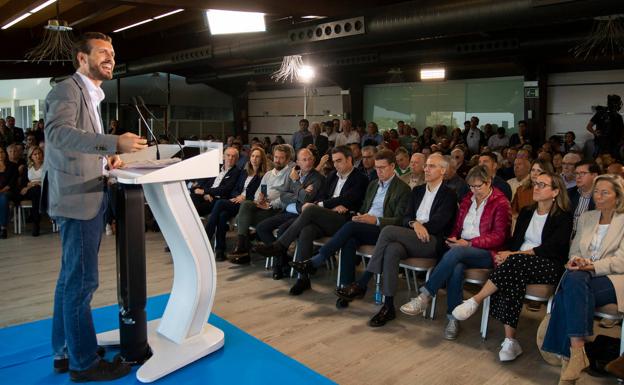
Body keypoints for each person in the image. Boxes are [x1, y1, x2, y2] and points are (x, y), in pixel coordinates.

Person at [45, 32, 147, 381]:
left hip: (85, 191)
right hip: (78, 198)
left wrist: (108, 159)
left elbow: (79, 147)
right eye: (102, 52)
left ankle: (64, 351)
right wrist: (111, 141)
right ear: (82, 59)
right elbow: (59, 134)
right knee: (82, 283)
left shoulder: (91, 94)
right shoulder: (65, 90)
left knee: (69, 280)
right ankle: (84, 363)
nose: (110, 58)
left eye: (113, 54)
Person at [452, 172, 572, 361]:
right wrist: (504, 254)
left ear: (556, 191)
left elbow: (552, 248)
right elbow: (514, 242)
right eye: (535, 184)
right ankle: (510, 342)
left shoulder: (563, 217)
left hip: (548, 265)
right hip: (518, 264)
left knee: (513, 264)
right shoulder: (526, 212)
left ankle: (476, 299)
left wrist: (513, 255)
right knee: (513, 274)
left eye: (542, 185)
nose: (536, 188)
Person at [255, 149, 403, 294]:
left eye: (339, 160)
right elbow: (321, 196)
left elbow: (349, 199)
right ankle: (303, 279)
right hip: (333, 218)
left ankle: (281, 245)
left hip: (343, 220)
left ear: (349, 160)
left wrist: (323, 206)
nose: (336, 164)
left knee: (311, 209)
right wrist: (326, 207)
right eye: (334, 161)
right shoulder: (333, 176)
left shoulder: (361, 178)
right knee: (308, 230)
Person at [334, 153, 457, 325]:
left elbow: (439, 223)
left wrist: (421, 226)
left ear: (443, 170)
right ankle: (388, 306)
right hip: (410, 236)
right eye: (426, 165)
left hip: (431, 241)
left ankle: (363, 282)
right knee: (391, 249)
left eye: (432, 166)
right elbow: (406, 218)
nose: (426, 169)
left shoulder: (449, 194)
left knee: (389, 231)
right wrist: (415, 224)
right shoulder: (418, 190)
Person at [400, 165, 511, 340]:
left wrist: (468, 243)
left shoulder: (501, 203)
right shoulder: (468, 199)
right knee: (457, 267)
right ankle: (453, 318)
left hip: (487, 252)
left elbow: (499, 237)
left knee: (458, 253)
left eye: (478, 186)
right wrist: (453, 238)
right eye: (471, 187)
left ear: (488, 182)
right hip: (462, 248)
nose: (474, 191)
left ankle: (425, 295)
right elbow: (457, 227)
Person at [542, 174, 624, 385]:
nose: (599, 196)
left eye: (605, 192)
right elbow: (575, 250)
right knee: (573, 282)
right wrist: (576, 261)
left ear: (618, 196)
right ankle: (576, 356)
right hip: (582, 276)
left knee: (568, 291)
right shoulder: (588, 217)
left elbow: (621, 262)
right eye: (596, 191)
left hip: (613, 279)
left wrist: (591, 266)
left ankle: (571, 359)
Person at [255, 148, 324, 277]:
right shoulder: (294, 173)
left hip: (302, 215)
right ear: (298, 162)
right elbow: (283, 194)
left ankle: (278, 267)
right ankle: (284, 259)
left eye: (310, 159)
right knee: (261, 227)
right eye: (304, 160)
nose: (308, 162)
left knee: (282, 231)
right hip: (287, 211)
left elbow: (306, 199)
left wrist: (296, 184)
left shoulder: (317, 178)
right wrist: (300, 192)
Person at [227, 144, 292, 263]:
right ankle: (243, 247)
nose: (277, 160)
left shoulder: (290, 175)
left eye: (281, 158)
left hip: (276, 210)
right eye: (276, 157)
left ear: (287, 159)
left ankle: (244, 249)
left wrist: (270, 204)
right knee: (246, 204)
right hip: (262, 206)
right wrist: (260, 198)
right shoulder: (268, 174)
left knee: (241, 219)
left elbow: (287, 197)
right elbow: (259, 192)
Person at [205, 147, 267, 261]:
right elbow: (234, 189)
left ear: (262, 159)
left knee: (219, 204)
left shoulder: (263, 176)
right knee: (222, 215)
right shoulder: (244, 172)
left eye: (257, 156)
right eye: (253, 156)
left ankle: (206, 237)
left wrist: (243, 197)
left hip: (246, 205)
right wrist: (236, 196)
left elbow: (259, 194)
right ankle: (220, 250)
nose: (254, 159)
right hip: (235, 201)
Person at [189, 147, 241, 216]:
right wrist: (205, 194)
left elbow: (225, 189)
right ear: (223, 157)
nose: (230, 158)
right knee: (191, 197)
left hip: (217, 199)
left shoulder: (236, 172)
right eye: (228, 155)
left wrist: (205, 191)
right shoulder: (216, 168)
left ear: (237, 159)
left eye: (233, 156)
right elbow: (206, 182)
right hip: (207, 195)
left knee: (195, 209)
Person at [568, 160, 599, 236]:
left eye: (582, 173)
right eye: (576, 173)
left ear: (594, 175)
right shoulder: (569, 193)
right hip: (568, 236)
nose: (578, 177)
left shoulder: (600, 196)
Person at [587, 94, 624, 159]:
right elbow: (589, 126)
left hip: (614, 145)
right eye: (618, 102)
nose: (619, 105)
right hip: (601, 144)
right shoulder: (600, 113)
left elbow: (622, 131)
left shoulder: (618, 117)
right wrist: (595, 132)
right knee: (599, 162)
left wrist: (621, 140)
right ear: (613, 104)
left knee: (613, 162)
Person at [20, 146, 44, 236]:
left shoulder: (47, 166)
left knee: (36, 191)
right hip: (31, 191)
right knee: (35, 191)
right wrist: (34, 184)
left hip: (43, 190)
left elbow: (49, 181)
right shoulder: (28, 168)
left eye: (39, 153)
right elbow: (24, 183)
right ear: (31, 156)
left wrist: (33, 184)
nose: (38, 156)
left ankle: (35, 223)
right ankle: (36, 222)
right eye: (35, 154)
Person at [0, 146, 18, 239]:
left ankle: (3, 228)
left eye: (2, 152)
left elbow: (12, 183)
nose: (0, 154)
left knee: (3, 198)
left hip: (9, 191)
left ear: (5, 154)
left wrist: (1, 190)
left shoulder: (13, 166)